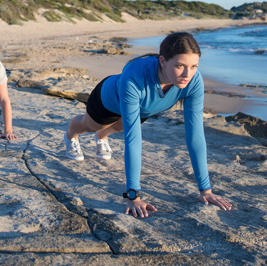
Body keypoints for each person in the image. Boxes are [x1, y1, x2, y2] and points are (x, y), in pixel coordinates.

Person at [63, 32, 232, 217]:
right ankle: (71, 134)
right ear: (163, 61)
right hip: (107, 100)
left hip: (141, 109)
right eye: (179, 66)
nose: (187, 74)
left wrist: (205, 190)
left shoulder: (193, 81)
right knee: (90, 126)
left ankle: (102, 137)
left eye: (193, 66)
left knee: (118, 127)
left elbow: (195, 135)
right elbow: (133, 140)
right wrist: (132, 196)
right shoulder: (135, 75)